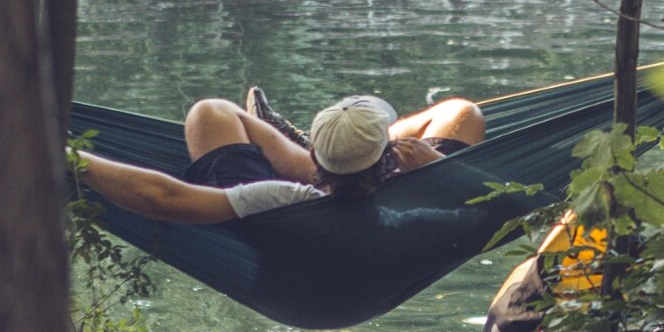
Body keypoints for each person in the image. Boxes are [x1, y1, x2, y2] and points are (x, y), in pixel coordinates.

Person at [75, 90, 486, 224]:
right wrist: (437, 168)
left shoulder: (282, 198)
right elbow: (507, 203)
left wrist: (66, 156)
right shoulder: (421, 199)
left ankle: (294, 143)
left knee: (210, 111)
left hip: (284, 217)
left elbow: (163, 198)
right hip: (404, 184)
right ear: (389, 157)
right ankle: (310, 144)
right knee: (461, 111)